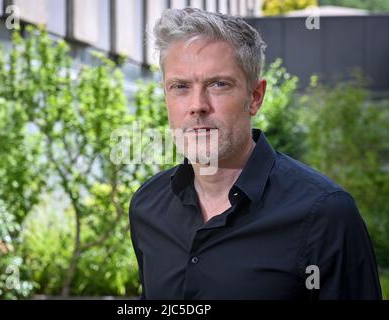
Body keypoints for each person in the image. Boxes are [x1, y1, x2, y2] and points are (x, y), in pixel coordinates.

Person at [128, 7, 382, 300]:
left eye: (218, 84)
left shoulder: (325, 215)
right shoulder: (147, 207)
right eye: (180, 87)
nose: (197, 105)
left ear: (255, 97)